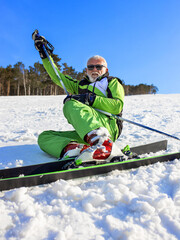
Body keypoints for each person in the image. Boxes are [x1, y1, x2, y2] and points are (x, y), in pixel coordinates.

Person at [32, 32, 125, 166]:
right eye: (90, 67)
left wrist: (90, 99)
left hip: (108, 126)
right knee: (44, 137)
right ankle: (77, 149)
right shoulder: (80, 86)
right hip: (88, 131)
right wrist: (44, 54)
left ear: (106, 69)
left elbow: (117, 107)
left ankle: (104, 144)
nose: (94, 69)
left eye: (99, 66)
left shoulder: (111, 82)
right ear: (86, 70)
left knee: (70, 104)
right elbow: (58, 77)